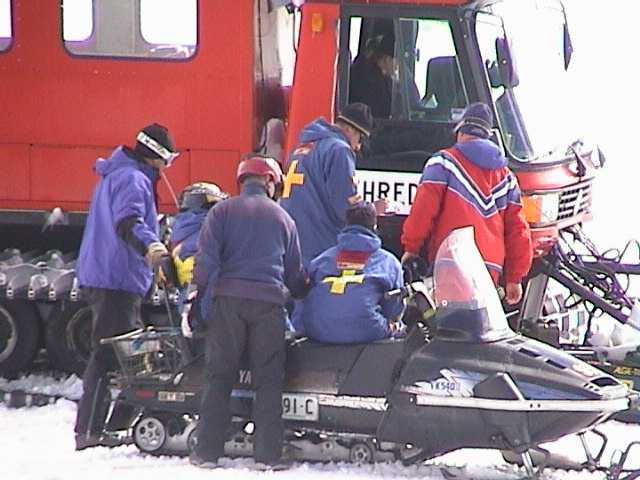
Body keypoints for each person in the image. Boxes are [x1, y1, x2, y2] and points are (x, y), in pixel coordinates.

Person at [190, 155, 308, 470]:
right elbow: (293, 274)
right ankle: (267, 456)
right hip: (268, 305)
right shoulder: (284, 219)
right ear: (270, 181)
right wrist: (299, 293)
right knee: (269, 379)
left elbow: (206, 263)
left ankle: (206, 453)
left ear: (242, 181)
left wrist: (200, 299)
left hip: (227, 301)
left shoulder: (220, 212)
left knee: (219, 376)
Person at [74, 123, 179, 450]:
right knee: (110, 355)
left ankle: (110, 426)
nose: (168, 167)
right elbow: (128, 222)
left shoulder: (121, 173)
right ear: (156, 156)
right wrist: (152, 247)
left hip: (111, 275)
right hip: (115, 279)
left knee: (124, 354)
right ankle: (91, 432)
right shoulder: (132, 179)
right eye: (168, 159)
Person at [401, 102, 532, 305]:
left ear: (461, 131)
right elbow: (518, 231)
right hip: (489, 270)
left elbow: (423, 211)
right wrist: (515, 278)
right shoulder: (507, 177)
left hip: (451, 263)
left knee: (451, 327)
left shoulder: (443, 163)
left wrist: (411, 248)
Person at [292, 202, 404, 343]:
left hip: (318, 329)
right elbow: (394, 308)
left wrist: (302, 329)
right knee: (400, 330)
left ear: (346, 224)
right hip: (367, 329)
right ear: (374, 226)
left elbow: (302, 300)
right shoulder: (389, 262)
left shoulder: (321, 260)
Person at [280, 103, 374, 266]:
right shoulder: (339, 150)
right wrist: (371, 210)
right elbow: (346, 207)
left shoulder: (302, 147)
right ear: (350, 130)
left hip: (291, 245)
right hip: (319, 248)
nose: (358, 147)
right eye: (360, 138)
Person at [349, 35, 395, 118]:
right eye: (397, 61)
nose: (397, 66)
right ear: (387, 59)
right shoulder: (368, 81)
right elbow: (378, 115)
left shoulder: (384, 78)